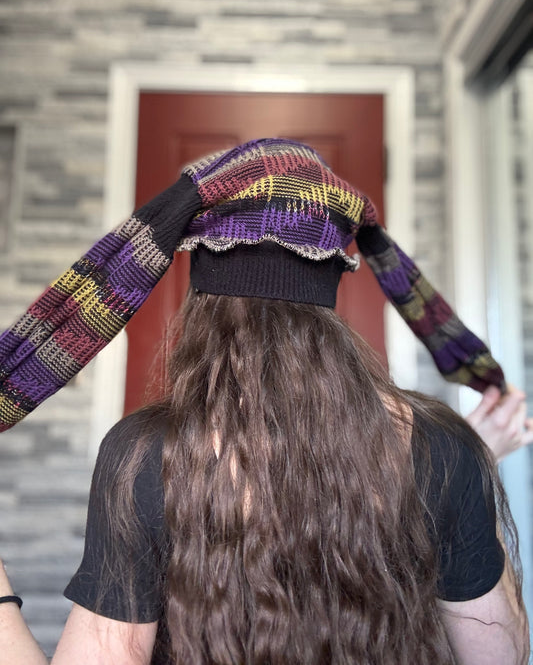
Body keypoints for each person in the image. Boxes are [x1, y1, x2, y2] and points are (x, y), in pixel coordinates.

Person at [0, 138, 529, 664]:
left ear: (200, 297)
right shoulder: (441, 446)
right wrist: (468, 467)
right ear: (331, 284)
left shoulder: (142, 456)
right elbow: (500, 656)